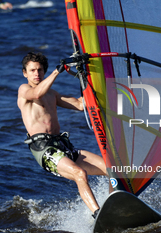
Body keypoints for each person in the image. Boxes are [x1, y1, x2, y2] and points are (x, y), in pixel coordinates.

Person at [18, 52, 110, 218]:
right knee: (79, 174)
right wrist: (57, 71)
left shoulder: (52, 94)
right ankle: (98, 215)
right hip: (44, 149)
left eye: (39, 70)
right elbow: (36, 94)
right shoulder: (24, 90)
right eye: (32, 70)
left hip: (62, 145)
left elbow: (80, 105)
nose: (36, 74)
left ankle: (114, 205)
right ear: (25, 73)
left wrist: (84, 76)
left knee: (111, 169)